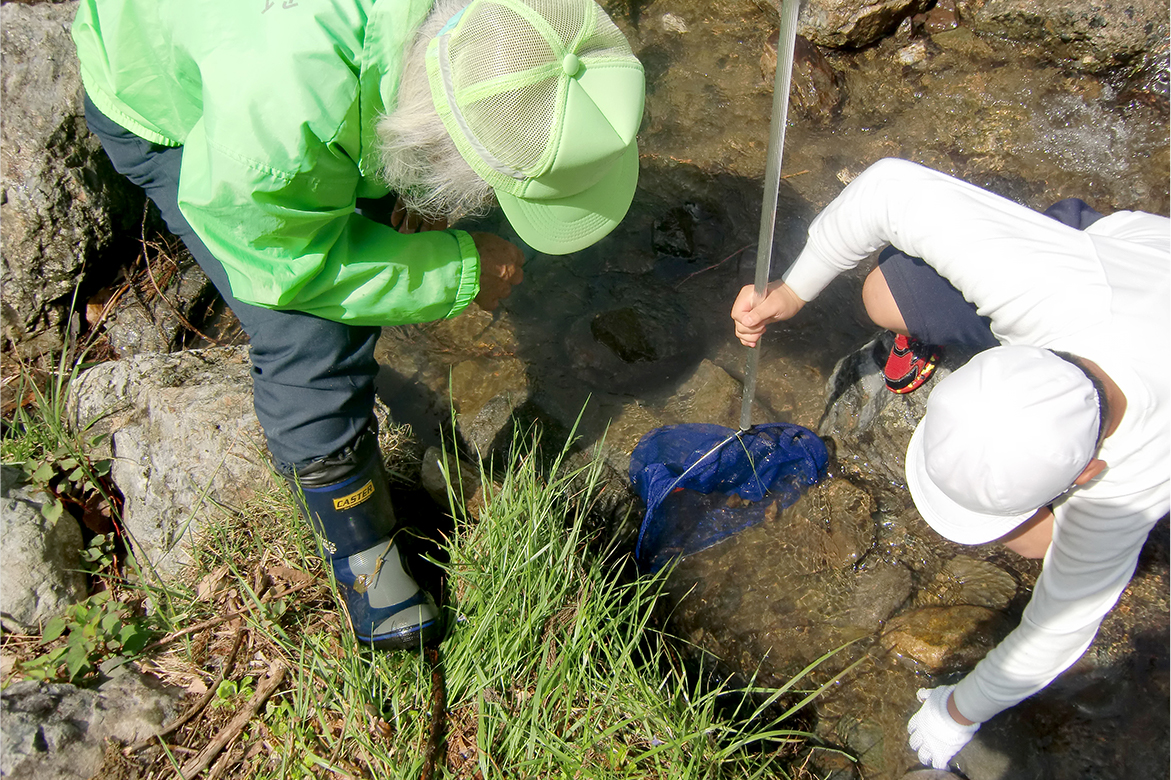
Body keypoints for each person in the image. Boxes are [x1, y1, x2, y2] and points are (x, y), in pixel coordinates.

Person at [72, 0, 645, 652]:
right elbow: (289, 268)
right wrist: (456, 268)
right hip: (165, 106)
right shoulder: (271, 136)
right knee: (313, 337)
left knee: (366, 216)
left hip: (285, 76)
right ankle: (365, 564)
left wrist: (405, 202)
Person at [731, 158, 1169, 769]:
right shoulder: (1040, 285)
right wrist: (792, 289)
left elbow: (1059, 628)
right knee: (881, 292)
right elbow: (886, 188)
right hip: (1112, 260)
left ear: (1089, 476)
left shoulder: (1139, 483)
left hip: (1129, 297)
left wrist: (957, 712)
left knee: (1042, 546)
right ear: (1008, 349)